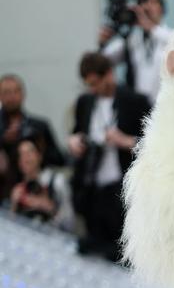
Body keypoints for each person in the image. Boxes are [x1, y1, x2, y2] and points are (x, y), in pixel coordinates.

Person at [69, 52, 151, 262]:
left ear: (109, 75)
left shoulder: (135, 101)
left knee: (120, 253)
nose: (93, 89)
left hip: (121, 186)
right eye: (89, 85)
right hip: (91, 183)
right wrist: (74, 140)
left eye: (96, 83)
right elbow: (78, 131)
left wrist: (124, 141)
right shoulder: (85, 102)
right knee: (91, 249)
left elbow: (152, 144)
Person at [99, 0, 172, 104]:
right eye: (142, 2)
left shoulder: (170, 36)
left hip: (165, 107)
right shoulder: (132, 39)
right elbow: (105, 59)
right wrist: (104, 42)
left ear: (162, 8)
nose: (147, 7)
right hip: (139, 109)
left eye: (152, 2)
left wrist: (150, 27)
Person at [0, 74, 65, 201]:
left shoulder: (39, 126)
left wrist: (36, 148)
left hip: (36, 195)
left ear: (23, 94)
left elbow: (59, 159)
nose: (11, 97)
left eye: (15, 91)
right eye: (6, 92)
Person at [9, 136, 74, 230]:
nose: (25, 158)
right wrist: (14, 205)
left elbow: (70, 223)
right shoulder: (18, 189)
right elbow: (11, 228)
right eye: (21, 154)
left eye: (29, 152)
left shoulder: (57, 182)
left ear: (39, 156)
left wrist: (51, 209)